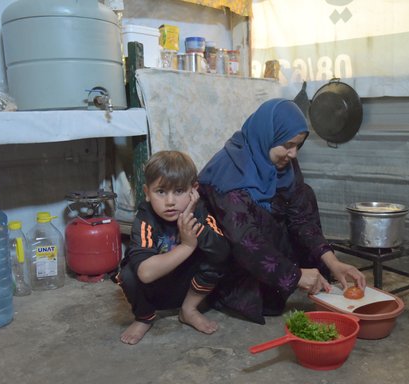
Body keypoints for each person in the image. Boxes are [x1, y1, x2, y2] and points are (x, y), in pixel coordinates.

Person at [198, 98, 366, 324]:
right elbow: (244, 239)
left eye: (298, 145)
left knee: (303, 193)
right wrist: (294, 276)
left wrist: (332, 262)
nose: (294, 154)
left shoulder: (282, 163)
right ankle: (243, 293)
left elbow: (301, 217)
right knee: (260, 217)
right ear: (267, 136)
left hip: (261, 246)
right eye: (288, 145)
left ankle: (304, 276)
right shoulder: (230, 172)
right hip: (230, 257)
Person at [117, 150, 230, 344]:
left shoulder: (201, 212)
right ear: (147, 193)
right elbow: (145, 273)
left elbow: (222, 253)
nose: (170, 202)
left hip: (190, 290)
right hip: (155, 291)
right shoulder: (145, 218)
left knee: (215, 257)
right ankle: (144, 317)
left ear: (193, 190)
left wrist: (196, 225)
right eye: (161, 192)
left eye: (179, 191)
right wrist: (186, 245)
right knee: (128, 274)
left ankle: (188, 310)